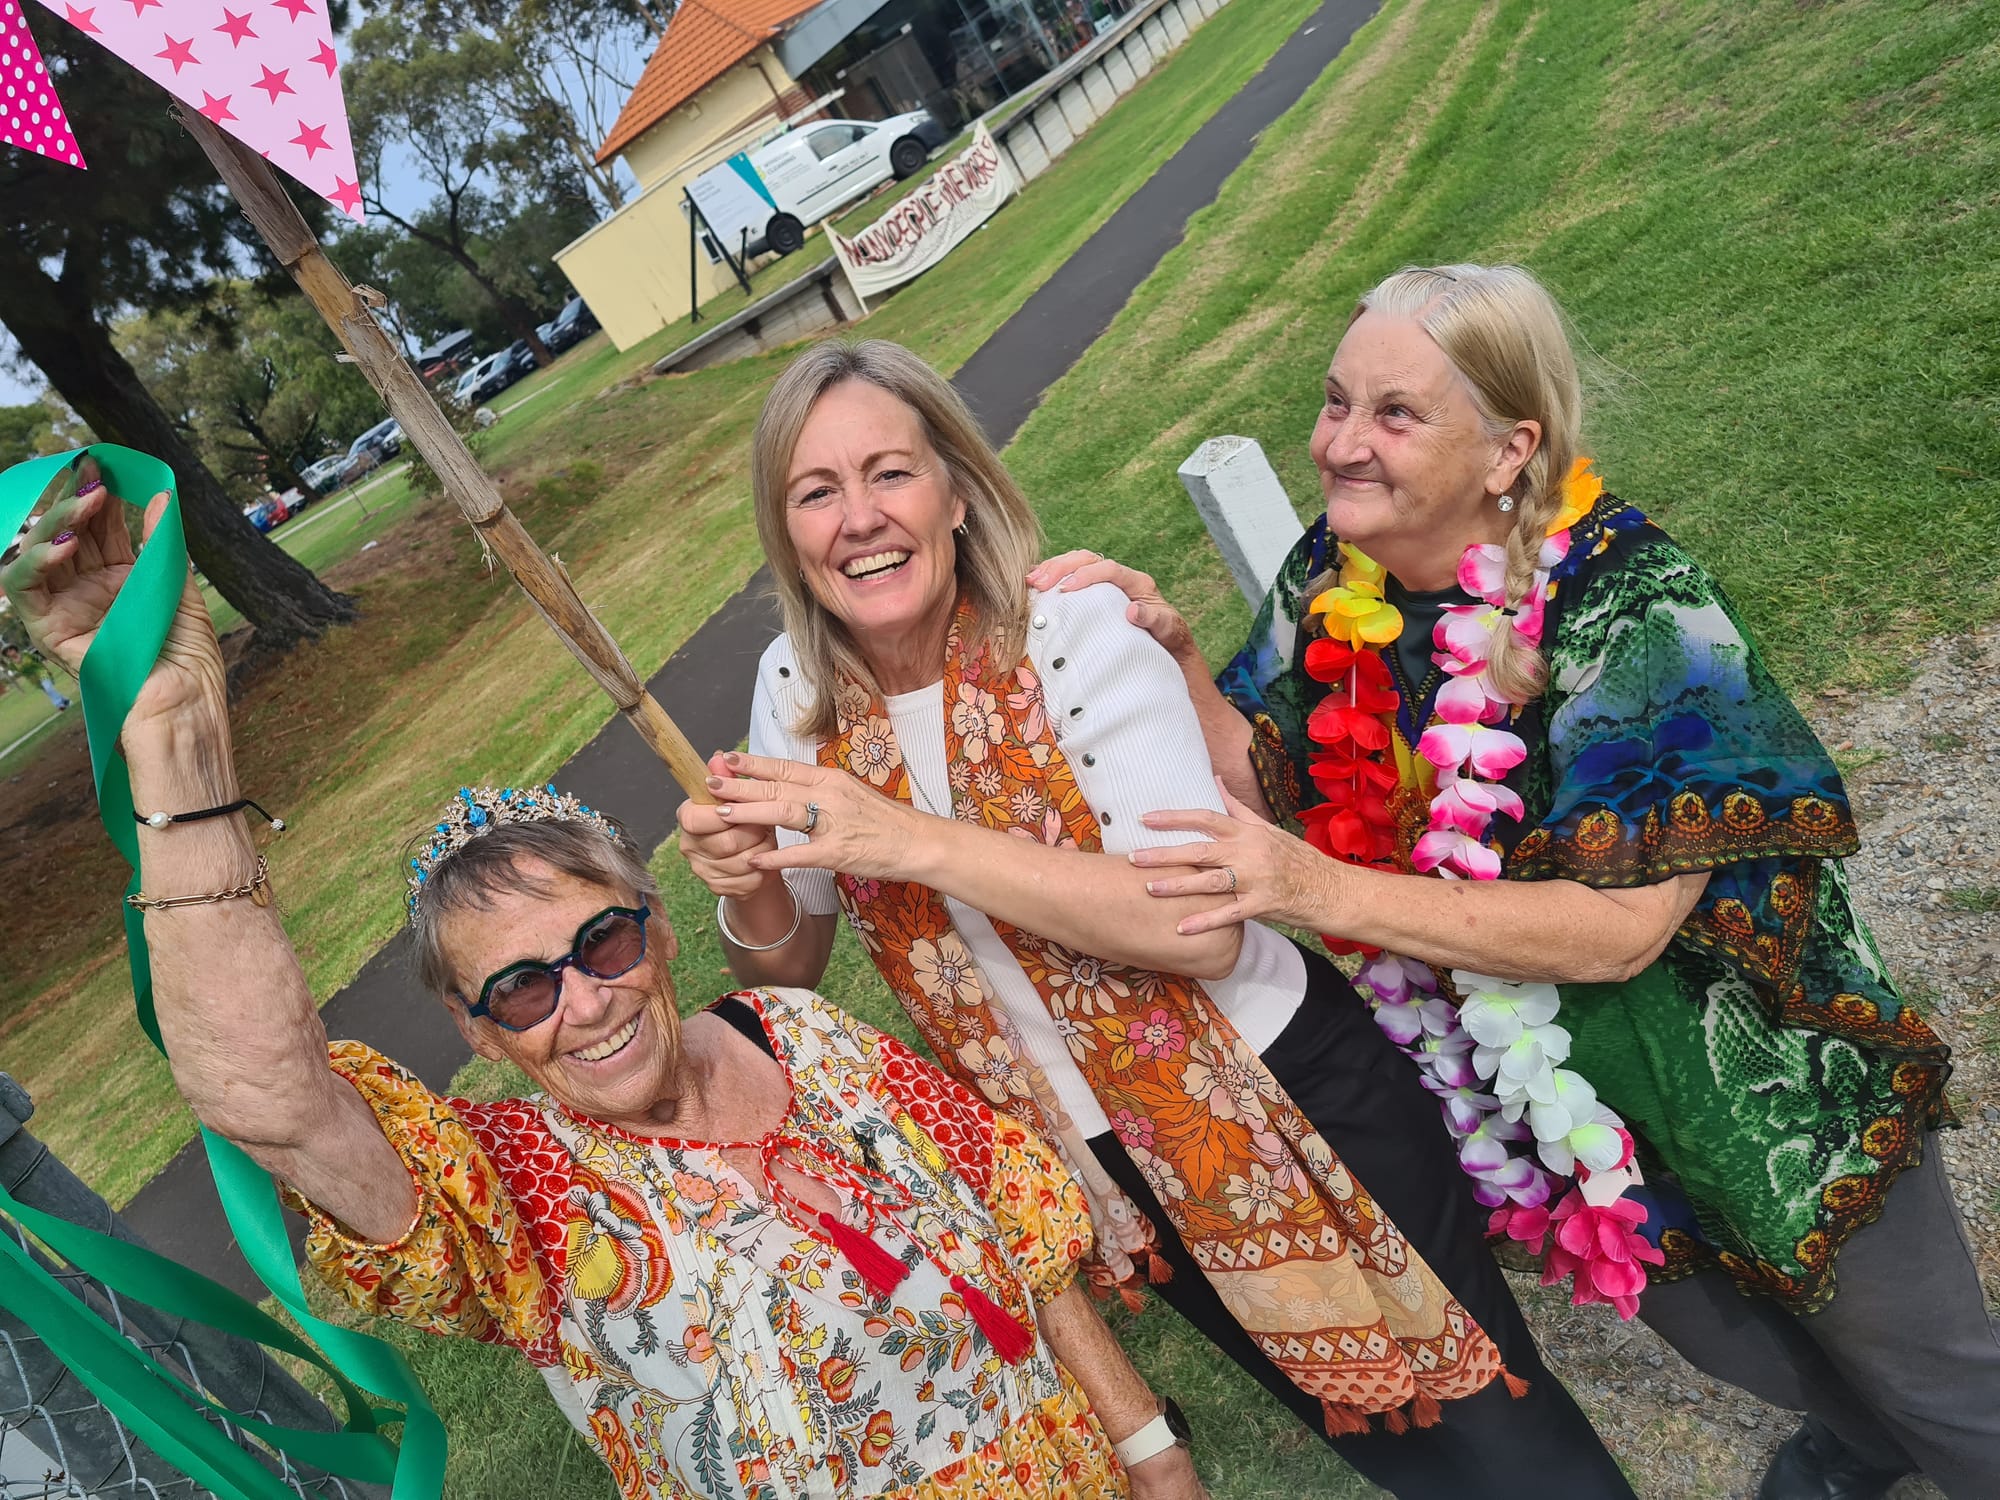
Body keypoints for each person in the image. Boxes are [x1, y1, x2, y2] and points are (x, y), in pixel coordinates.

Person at [2, 456, 1207, 1500]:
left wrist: (1149, 1446)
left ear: (658, 929)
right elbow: (270, 1096)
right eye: (518, 991)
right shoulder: (523, 1204)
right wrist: (173, 738)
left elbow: (1015, 1235)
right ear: (476, 1034)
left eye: (601, 944)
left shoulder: (806, 1035)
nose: (582, 1001)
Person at [1033, 263, 2000, 1500]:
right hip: (1538, 1093)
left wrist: (1313, 889)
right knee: (1714, 1335)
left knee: (1937, 1379)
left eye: (1392, 415)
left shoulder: (1632, 600)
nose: (1339, 444)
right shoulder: (1334, 577)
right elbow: (1270, 775)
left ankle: (1905, 1430)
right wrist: (1174, 661)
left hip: (1751, 1079)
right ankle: (1859, 1440)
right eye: (1334, 404)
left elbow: (1617, 932)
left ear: (1508, 450)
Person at [676, 338, 1634, 1498]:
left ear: (957, 489)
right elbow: (794, 965)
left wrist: (903, 838)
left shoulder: (1070, 636)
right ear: (785, 533)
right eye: (815, 492)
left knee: (1497, 1438)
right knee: (1386, 1449)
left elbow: (1200, 928)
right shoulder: (795, 691)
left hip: (1279, 1097)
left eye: (889, 473)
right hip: (1097, 1161)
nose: (858, 519)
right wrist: (752, 888)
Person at [2, 641, 70, 710]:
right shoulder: (11, 664)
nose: (10, 652)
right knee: (49, 691)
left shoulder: (25, 654)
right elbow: (9, 670)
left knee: (48, 688)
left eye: (10, 649)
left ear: (14, 649)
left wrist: (46, 669)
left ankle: (59, 704)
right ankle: (66, 701)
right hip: (33, 680)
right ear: (6, 655)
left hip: (41, 672)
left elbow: (38, 660)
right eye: (7, 652)